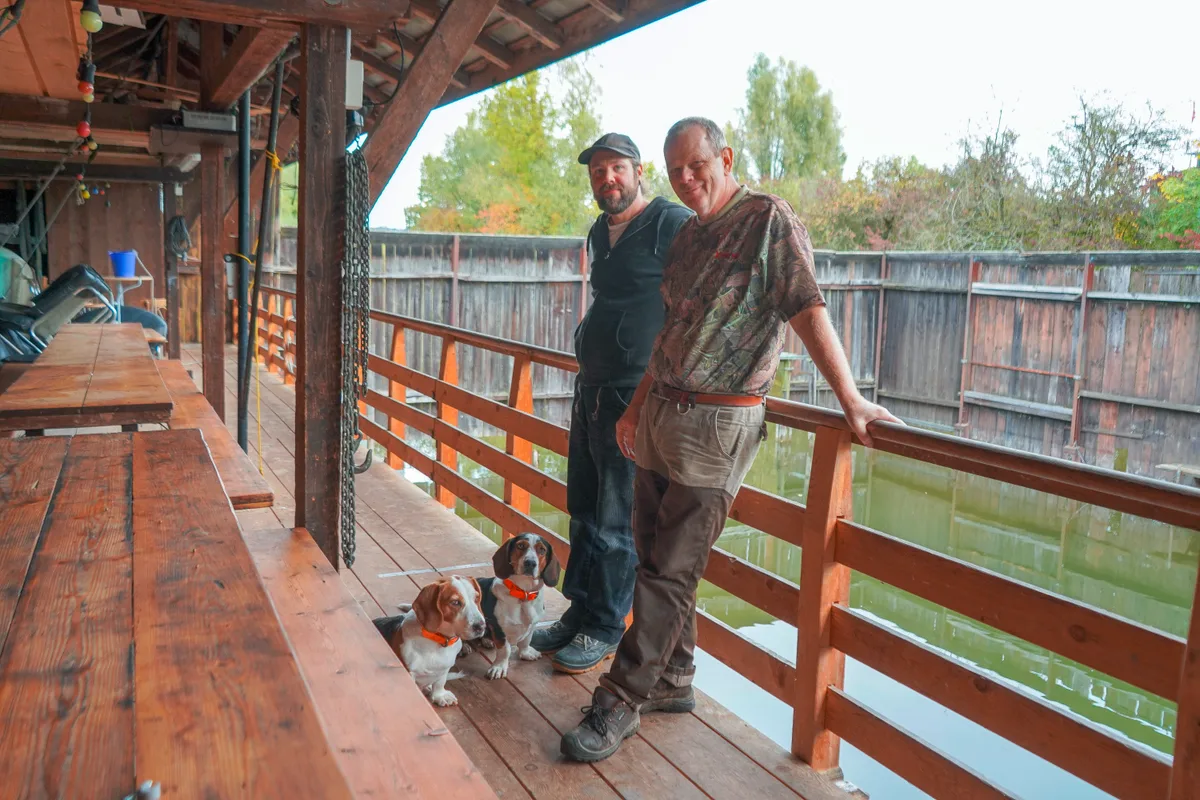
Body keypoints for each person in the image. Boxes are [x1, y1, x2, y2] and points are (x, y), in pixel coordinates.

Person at [560, 117, 901, 762]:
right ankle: (674, 678)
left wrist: (850, 399)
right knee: (652, 550)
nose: (687, 179)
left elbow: (806, 307)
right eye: (676, 171)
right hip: (662, 411)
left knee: (667, 569)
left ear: (725, 157)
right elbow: (669, 333)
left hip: (718, 422)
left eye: (696, 165)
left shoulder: (767, 219)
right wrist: (636, 410)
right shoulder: (688, 234)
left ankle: (618, 701)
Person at [531, 133, 693, 674]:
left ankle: (604, 625)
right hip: (591, 387)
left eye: (617, 168)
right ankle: (579, 610)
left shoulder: (670, 223)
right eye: (598, 171)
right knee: (582, 506)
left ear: (639, 171)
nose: (608, 179)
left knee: (616, 519)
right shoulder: (599, 231)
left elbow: (687, 306)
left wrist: (647, 393)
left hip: (633, 394)